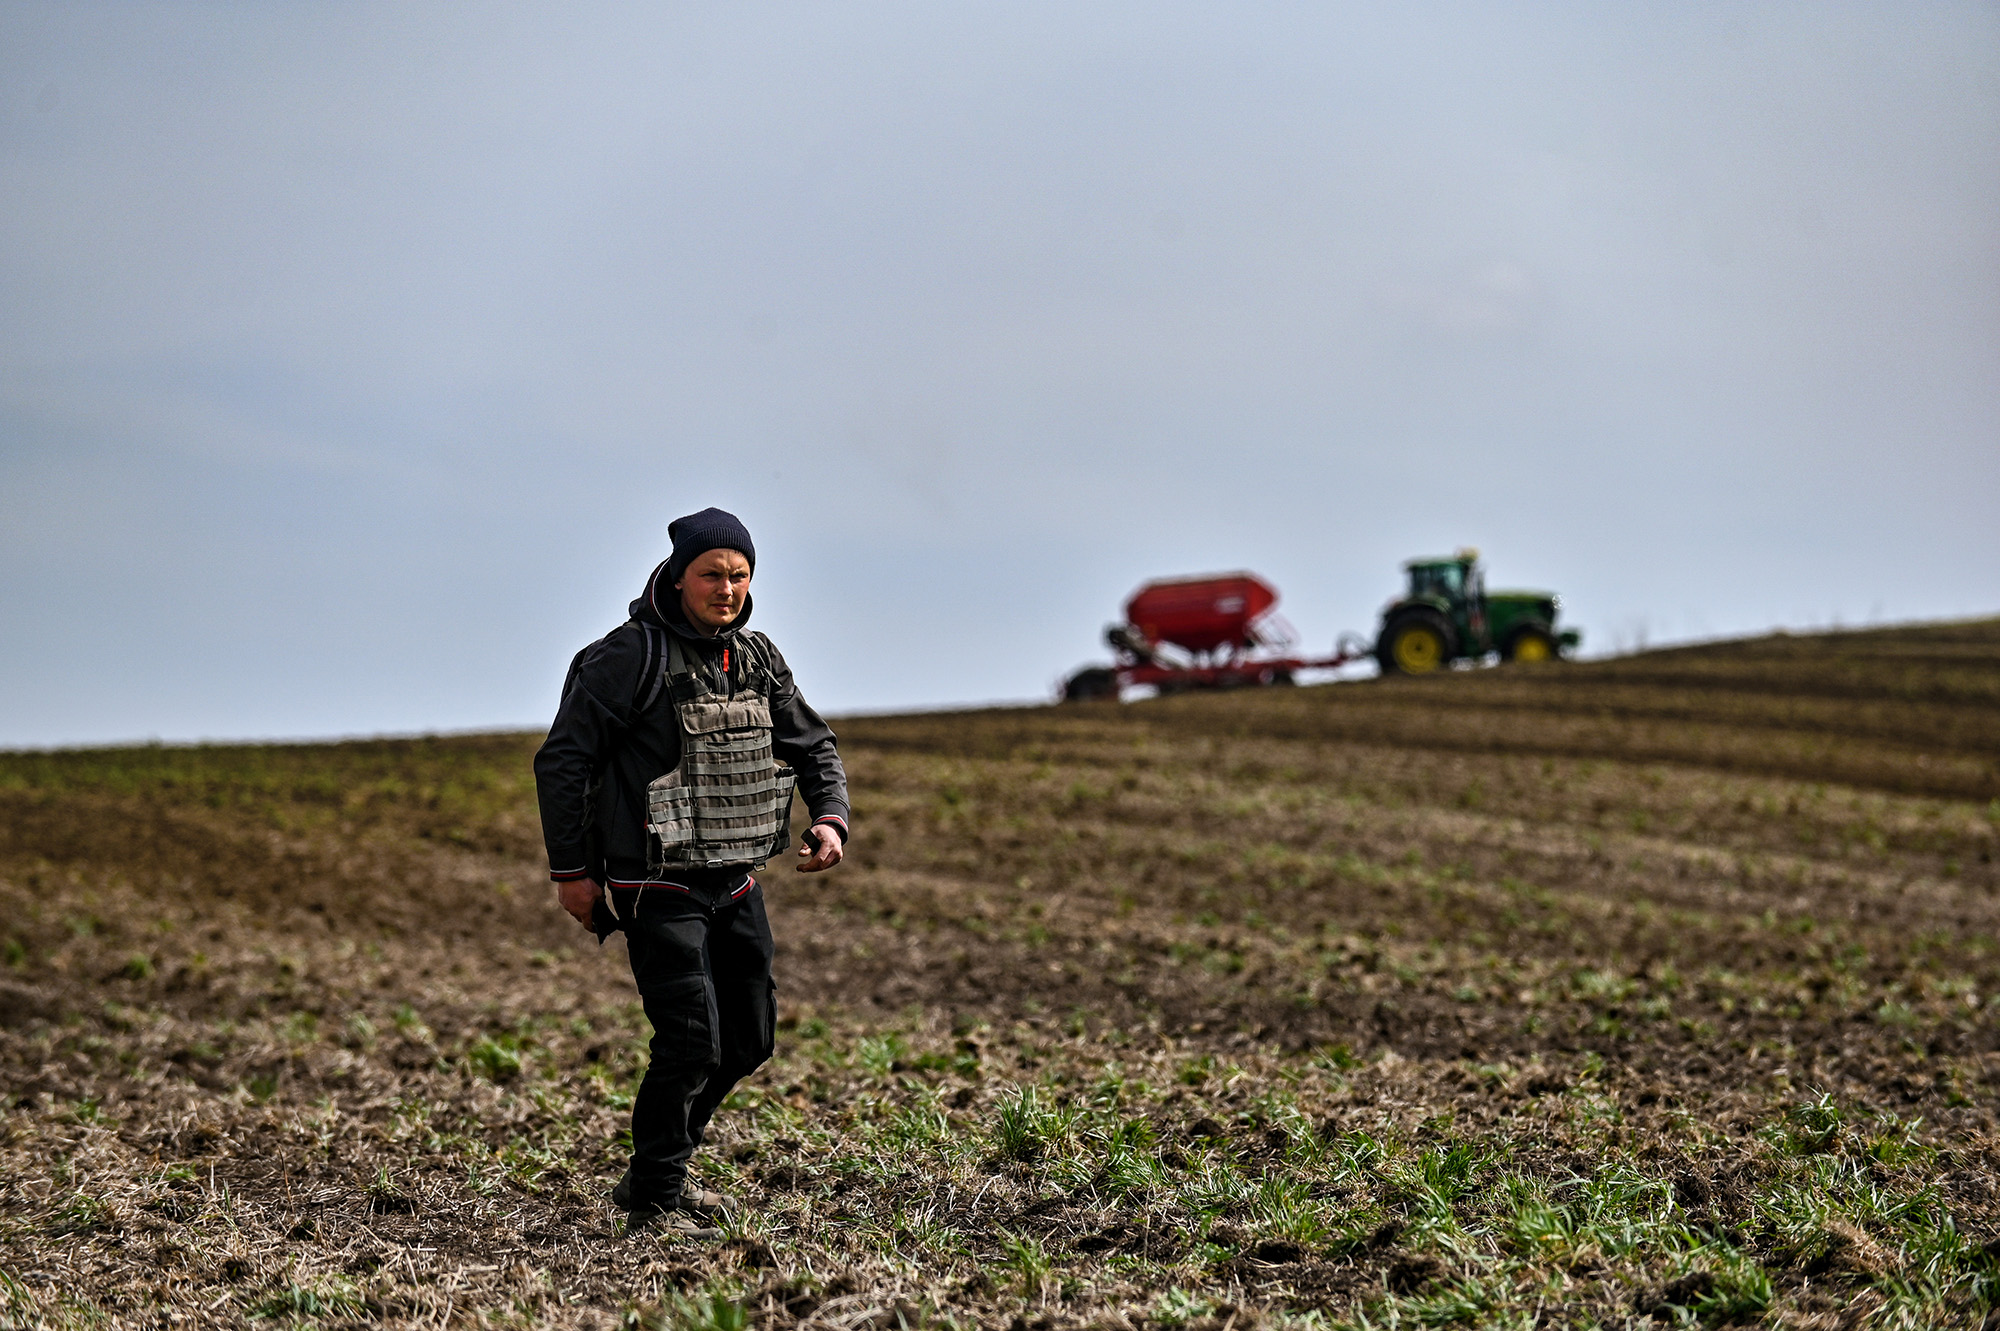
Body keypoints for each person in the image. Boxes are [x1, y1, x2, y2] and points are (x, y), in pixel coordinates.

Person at [533, 508, 850, 1236]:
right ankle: (655, 1190)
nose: (728, 588)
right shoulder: (626, 658)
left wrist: (830, 817)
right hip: (655, 882)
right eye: (713, 573)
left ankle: (661, 1162)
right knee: (691, 1041)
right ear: (679, 578)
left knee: (750, 1038)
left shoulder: (758, 658)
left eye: (740, 575)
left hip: (735, 879)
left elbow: (814, 745)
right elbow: (563, 761)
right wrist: (572, 873)